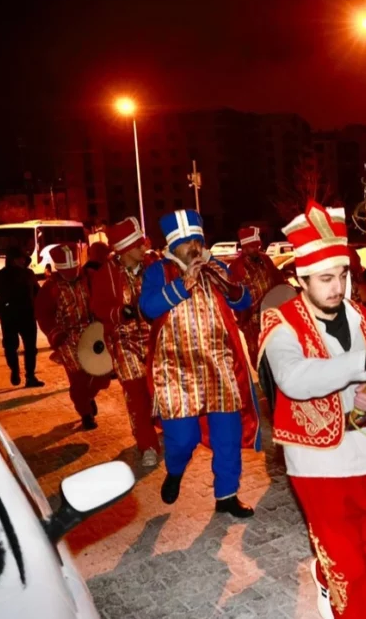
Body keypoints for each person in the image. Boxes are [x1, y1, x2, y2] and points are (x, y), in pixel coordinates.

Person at [261, 201, 366, 619]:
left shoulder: (363, 318)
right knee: (350, 569)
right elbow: (294, 378)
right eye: (325, 278)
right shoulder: (279, 323)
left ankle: (326, 575)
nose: (337, 286)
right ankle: (340, 585)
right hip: (315, 461)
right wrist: (362, 363)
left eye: (342, 275)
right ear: (300, 278)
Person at [140, 209, 260, 518]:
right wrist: (184, 284)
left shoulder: (215, 266)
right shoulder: (158, 271)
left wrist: (229, 285)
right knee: (182, 439)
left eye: (197, 240)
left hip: (219, 368)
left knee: (228, 437)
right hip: (175, 372)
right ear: (173, 245)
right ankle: (176, 470)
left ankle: (227, 495)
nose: (194, 247)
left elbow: (244, 300)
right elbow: (149, 308)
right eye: (187, 242)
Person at [90, 217, 160, 467]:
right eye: (139, 245)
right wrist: (119, 312)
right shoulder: (105, 274)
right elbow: (98, 307)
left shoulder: (153, 266)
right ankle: (147, 444)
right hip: (124, 343)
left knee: (159, 391)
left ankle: (160, 430)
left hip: (155, 340)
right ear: (126, 249)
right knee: (136, 395)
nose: (144, 249)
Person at [36, 244, 109, 429]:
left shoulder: (89, 278)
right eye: (68, 271)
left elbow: (101, 300)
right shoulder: (50, 288)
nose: (72, 273)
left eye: (75, 269)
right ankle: (86, 414)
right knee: (78, 380)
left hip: (92, 334)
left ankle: (88, 397)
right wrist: (56, 334)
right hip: (67, 339)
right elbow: (44, 315)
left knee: (102, 374)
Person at [228, 226, 284, 369]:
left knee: (275, 351)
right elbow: (233, 296)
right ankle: (262, 380)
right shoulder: (236, 268)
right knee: (257, 354)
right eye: (253, 247)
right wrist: (242, 317)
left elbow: (279, 280)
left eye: (257, 246)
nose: (257, 249)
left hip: (270, 315)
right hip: (251, 321)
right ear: (245, 247)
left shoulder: (265, 260)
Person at [0, 246, 44, 388]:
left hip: (28, 315)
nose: (22, 261)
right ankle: (15, 370)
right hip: (9, 316)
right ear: (12, 260)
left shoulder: (29, 274)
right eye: (19, 258)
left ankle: (30, 376)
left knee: (30, 348)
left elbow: (37, 292)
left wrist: (39, 305)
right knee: (10, 346)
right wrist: (2, 305)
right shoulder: (1, 275)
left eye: (24, 258)